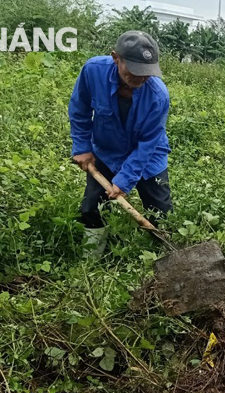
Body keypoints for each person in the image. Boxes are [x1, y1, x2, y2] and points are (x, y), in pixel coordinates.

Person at [69, 31, 173, 258]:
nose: (140, 78)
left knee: (161, 212)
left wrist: (125, 180)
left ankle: (165, 260)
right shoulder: (93, 71)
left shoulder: (158, 96)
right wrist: (82, 147)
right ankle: (92, 260)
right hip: (106, 151)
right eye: (135, 71)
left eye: (147, 73)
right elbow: (80, 109)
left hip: (149, 156)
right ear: (116, 57)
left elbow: (147, 143)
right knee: (91, 208)